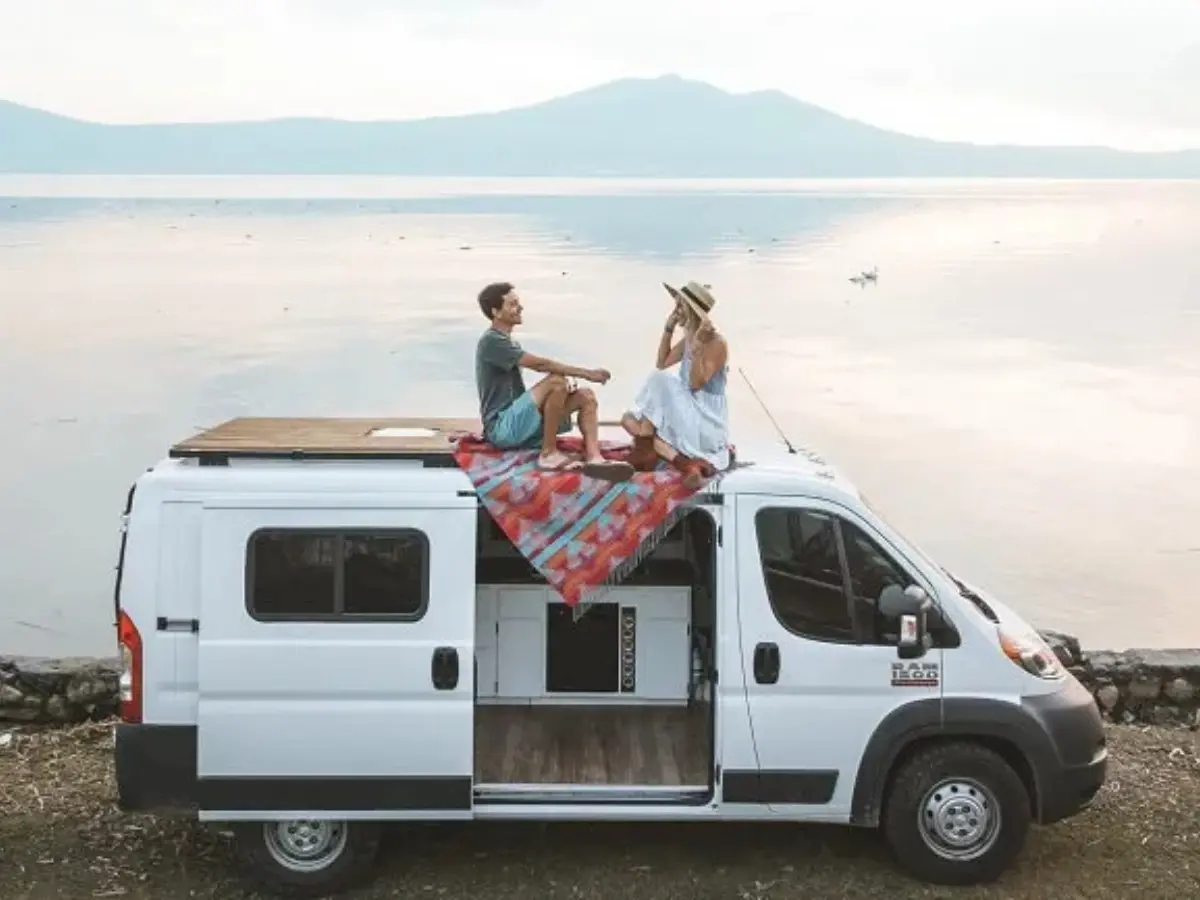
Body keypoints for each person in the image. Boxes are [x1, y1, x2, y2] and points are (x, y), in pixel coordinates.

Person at [475, 281, 633, 479]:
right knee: (556, 381)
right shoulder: (492, 341)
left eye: (518, 303)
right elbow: (541, 365)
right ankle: (548, 453)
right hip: (501, 429)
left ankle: (594, 457)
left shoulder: (507, 341)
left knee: (586, 396)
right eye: (513, 304)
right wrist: (587, 373)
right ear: (496, 312)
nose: (520, 308)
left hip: (522, 428)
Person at [621, 281, 731, 487]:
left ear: (692, 311)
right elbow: (662, 363)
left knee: (659, 381)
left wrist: (698, 345)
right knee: (627, 419)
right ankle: (683, 462)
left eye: (681, 306)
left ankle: (647, 451)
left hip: (706, 421)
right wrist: (668, 328)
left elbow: (696, 384)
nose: (676, 310)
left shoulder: (717, 343)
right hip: (689, 411)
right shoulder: (689, 338)